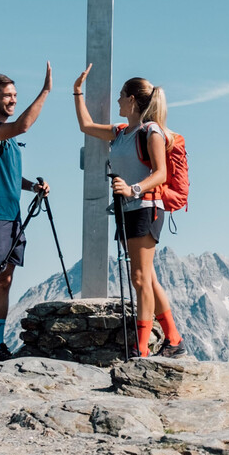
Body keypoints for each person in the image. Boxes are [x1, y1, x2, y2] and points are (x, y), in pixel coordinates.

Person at [71, 66, 186, 358]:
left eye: (121, 96)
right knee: (147, 277)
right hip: (128, 208)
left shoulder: (152, 132)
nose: (118, 102)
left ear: (133, 100)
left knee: (138, 278)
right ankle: (173, 338)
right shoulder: (121, 132)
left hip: (145, 207)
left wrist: (133, 189)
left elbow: (160, 174)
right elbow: (86, 126)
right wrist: (77, 92)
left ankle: (141, 347)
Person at [0, 65, 54, 365]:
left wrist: (33, 187)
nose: (13, 100)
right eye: (7, 96)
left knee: (4, 281)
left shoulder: (8, 138)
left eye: (15, 95)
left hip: (11, 218)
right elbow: (24, 125)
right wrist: (45, 92)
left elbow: (10, 176)